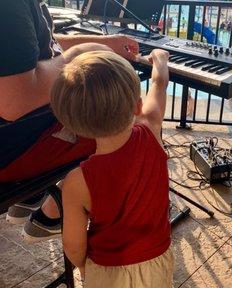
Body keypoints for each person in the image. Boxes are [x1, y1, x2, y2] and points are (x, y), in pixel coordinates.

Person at [0, 0, 139, 241]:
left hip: (19, 140)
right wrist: (85, 55)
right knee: (124, 116)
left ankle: (34, 197)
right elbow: (16, 96)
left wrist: (102, 44)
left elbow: (38, 52)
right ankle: (55, 207)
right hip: (10, 155)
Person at [50, 49, 173, 288]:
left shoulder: (76, 181)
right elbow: (159, 83)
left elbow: (73, 245)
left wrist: (86, 268)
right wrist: (159, 58)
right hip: (157, 260)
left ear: (72, 125)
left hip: (107, 271)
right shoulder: (151, 128)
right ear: (137, 107)